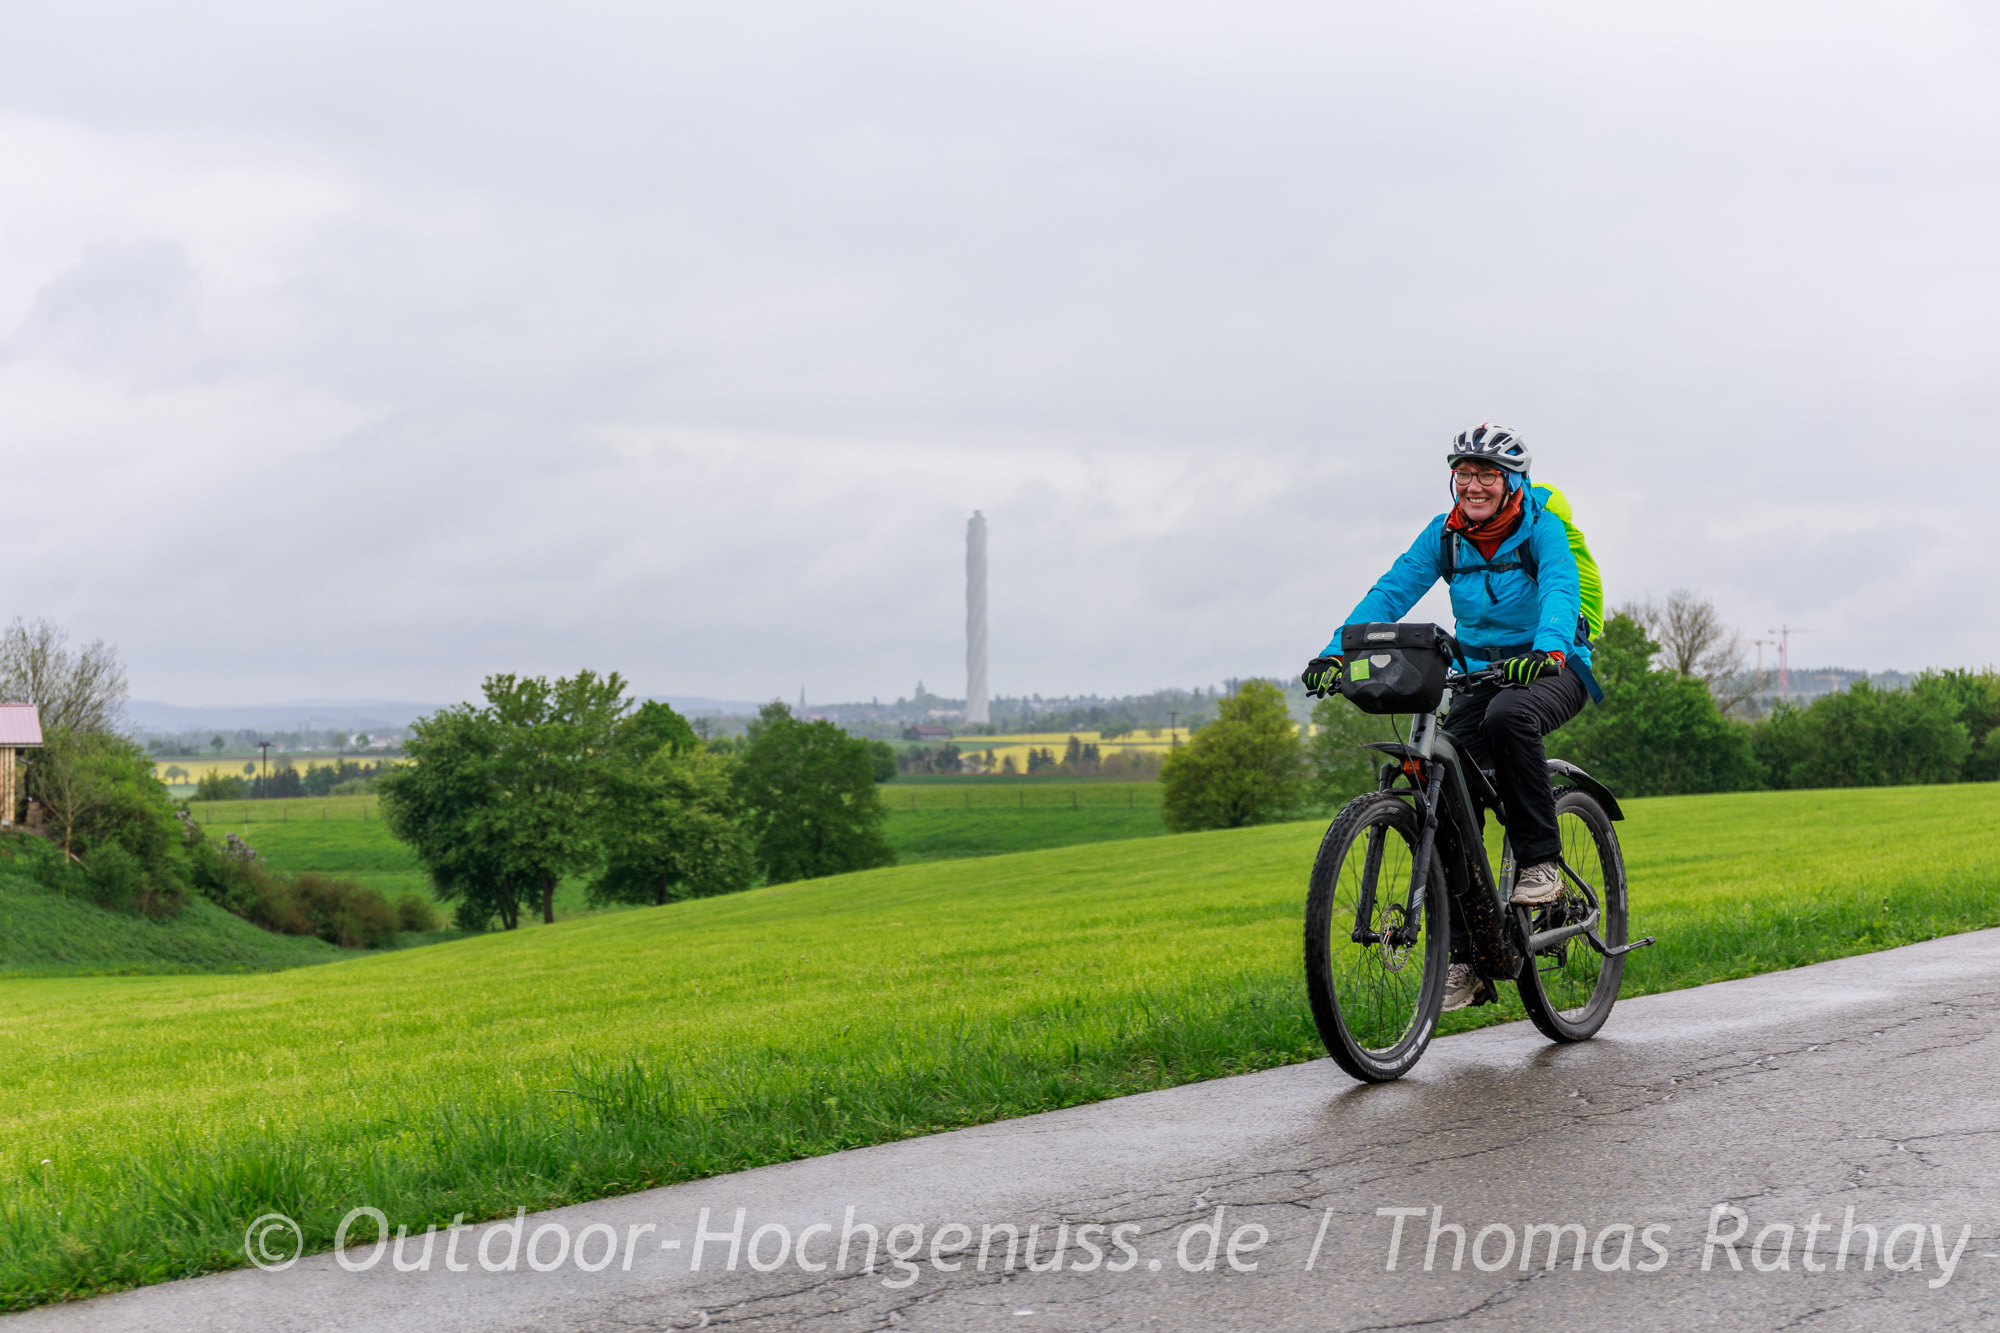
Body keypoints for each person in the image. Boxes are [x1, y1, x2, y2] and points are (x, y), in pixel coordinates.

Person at [1301, 423, 1596, 1012]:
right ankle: (1467, 957)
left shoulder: (1542, 529)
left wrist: (1551, 647)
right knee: (1444, 787)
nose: (1474, 485)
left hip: (1552, 666)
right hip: (1478, 673)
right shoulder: (1445, 536)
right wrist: (1338, 650)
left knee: (1510, 718)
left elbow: (1562, 588)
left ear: (1514, 482)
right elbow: (1390, 593)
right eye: (1464, 474)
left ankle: (1540, 862)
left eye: (1487, 474)